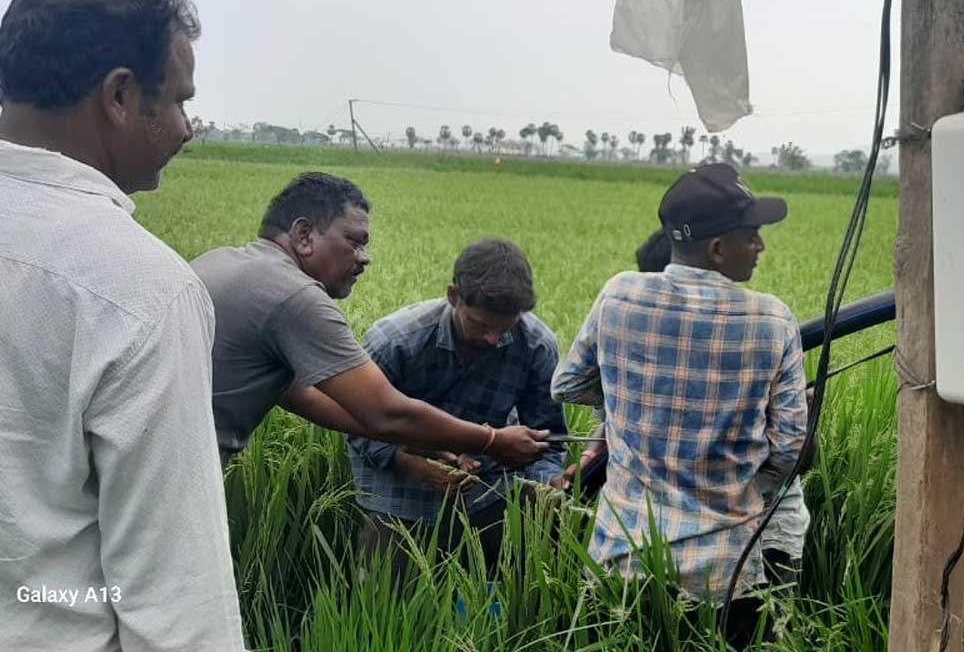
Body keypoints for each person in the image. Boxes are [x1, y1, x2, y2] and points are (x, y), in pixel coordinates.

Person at [0, 0, 244, 650]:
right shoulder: (142, 291)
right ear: (119, 96)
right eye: (178, 100)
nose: (188, 129)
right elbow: (175, 601)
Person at [552, 163, 808, 648]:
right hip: (726, 570)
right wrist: (750, 486)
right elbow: (791, 446)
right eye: (751, 235)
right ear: (716, 249)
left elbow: (567, 385)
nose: (761, 246)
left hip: (621, 560)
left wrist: (633, 400)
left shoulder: (619, 293)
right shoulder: (773, 319)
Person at [191, 172, 550, 469]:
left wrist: (419, 440)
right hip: (177, 470)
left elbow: (299, 394)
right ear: (303, 236)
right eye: (355, 242)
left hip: (157, 454)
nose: (365, 259)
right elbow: (387, 412)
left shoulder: (221, 261)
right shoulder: (296, 296)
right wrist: (491, 440)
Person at [349, 238, 567, 576]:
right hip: (399, 488)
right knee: (385, 597)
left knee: (510, 582)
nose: (493, 339)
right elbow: (355, 425)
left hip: (489, 488)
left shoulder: (536, 344)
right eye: (481, 324)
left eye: (504, 327)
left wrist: (550, 485)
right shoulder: (396, 341)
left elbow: (549, 439)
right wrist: (411, 462)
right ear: (454, 296)